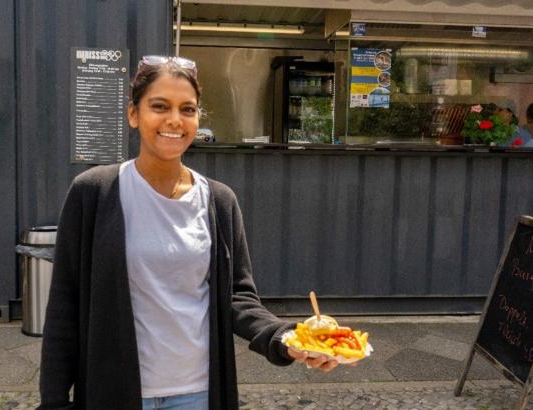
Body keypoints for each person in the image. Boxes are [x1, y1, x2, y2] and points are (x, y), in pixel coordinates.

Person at [38, 55, 338, 410]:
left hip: (198, 392)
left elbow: (238, 297)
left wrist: (286, 337)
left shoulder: (219, 201)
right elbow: (64, 307)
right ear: (133, 114)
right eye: (159, 106)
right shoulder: (94, 192)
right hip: (115, 391)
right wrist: (54, 402)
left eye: (188, 109)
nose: (174, 121)